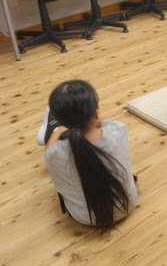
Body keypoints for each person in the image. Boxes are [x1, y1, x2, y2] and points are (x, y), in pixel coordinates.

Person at [37, 80, 138, 232]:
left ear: (59, 121)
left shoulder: (54, 153)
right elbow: (104, 122)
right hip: (127, 205)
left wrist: (58, 131)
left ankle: (50, 126)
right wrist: (90, 118)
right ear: (96, 113)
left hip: (85, 217)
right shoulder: (118, 129)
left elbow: (49, 148)